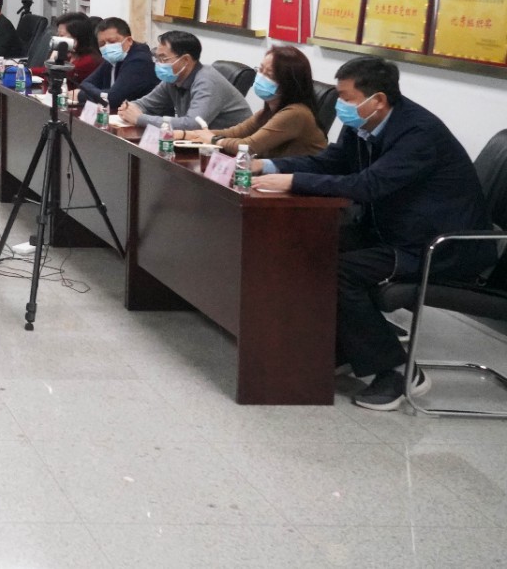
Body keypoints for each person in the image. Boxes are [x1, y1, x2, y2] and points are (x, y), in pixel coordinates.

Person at [254, 56, 494, 410]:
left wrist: (293, 181)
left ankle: (397, 370)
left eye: (346, 98)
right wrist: (270, 164)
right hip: (393, 232)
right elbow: (332, 161)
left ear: (377, 99)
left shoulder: (418, 134)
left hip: (438, 247)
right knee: (307, 248)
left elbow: (368, 185)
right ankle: (344, 349)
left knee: (342, 272)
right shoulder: (364, 123)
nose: (340, 106)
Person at [182, 45, 327, 158]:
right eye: (260, 70)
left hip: (303, 184)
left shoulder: (296, 113)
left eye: (269, 74)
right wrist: (186, 135)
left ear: (288, 83)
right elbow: (234, 132)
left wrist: (214, 139)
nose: (260, 77)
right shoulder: (269, 111)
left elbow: (248, 147)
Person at [121, 29, 251, 131]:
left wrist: (140, 119)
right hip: (201, 143)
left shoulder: (207, 81)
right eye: (157, 58)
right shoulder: (173, 79)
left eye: (163, 59)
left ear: (185, 60)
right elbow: (145, 104)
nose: (159, 64)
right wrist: (129, 108)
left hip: (232, 148)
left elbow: (192, 124)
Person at [78, 16, 158, 111]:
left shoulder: (139, 61)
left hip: (143, 116)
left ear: (129, 41)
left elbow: (113, 99)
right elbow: (85, 84)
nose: (107, 47)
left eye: (112, 42)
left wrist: (83, 94)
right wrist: (103, 94)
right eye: (102, 44)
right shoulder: (112, 58)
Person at [48, 13, 102, 89]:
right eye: (58, 35)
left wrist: (53, 57)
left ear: (77, 38)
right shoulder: (71, 55)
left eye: (62, 36)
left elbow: (52, 77)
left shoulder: (88, 61)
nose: (58, 39)